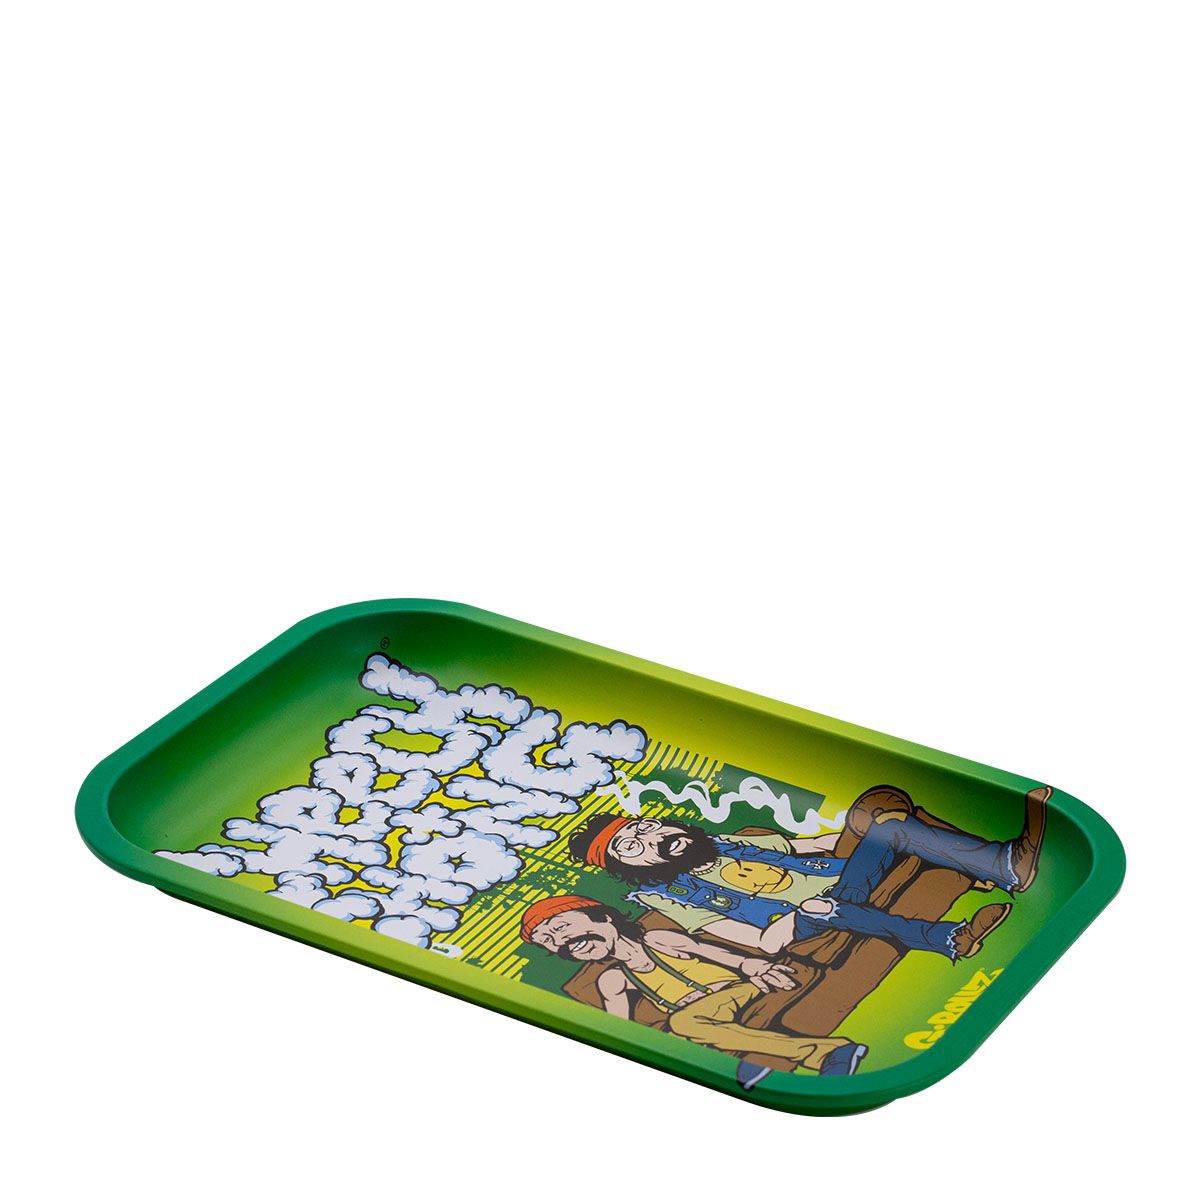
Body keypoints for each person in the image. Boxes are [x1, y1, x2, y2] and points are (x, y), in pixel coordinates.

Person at [565, 784, 1051, 961]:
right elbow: (759, 942)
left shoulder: (724, 842)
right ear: (629, 868)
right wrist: (795, 919)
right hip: (802, 920)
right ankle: (950, 939)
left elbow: (808, 846)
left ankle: (1006, 865)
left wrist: (858, 829)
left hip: (843, 879)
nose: (651, 838)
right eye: (632, 847)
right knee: (824, 906)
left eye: (645, 827)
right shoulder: (671, 897)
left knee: (887, 822)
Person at [521, 894, 869, 1082]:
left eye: (561, 927)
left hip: (733, 990)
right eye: (548, 941)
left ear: (603, 917)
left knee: (683, 1023)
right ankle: (779, 1057)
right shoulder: (611, 980)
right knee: (680, 1030)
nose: (561, 941)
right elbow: (620, 1029)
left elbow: (712, 952)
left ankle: (820, 1052)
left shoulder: (657, 939)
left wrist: (753, 965)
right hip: (698, 1016)